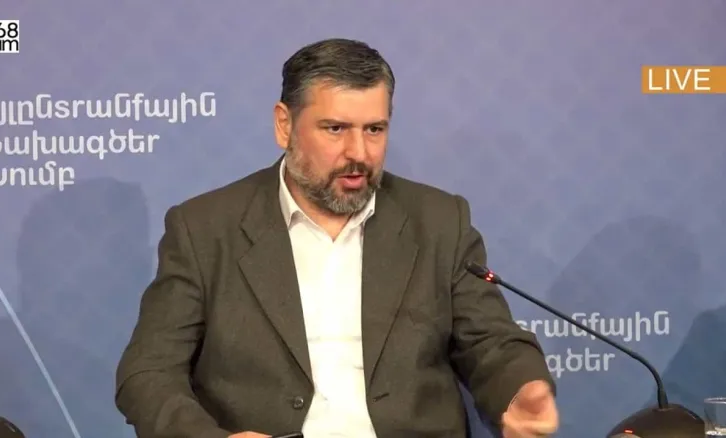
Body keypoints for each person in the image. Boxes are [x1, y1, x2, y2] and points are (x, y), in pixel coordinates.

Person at [115, 38, 559, 438]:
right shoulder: (206, 229)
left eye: (374, 130)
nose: (358, 154)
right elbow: (148, 373)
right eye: (335, 129)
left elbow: (491, 341)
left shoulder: (440, 221)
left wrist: (518, 389)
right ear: (284, 125)